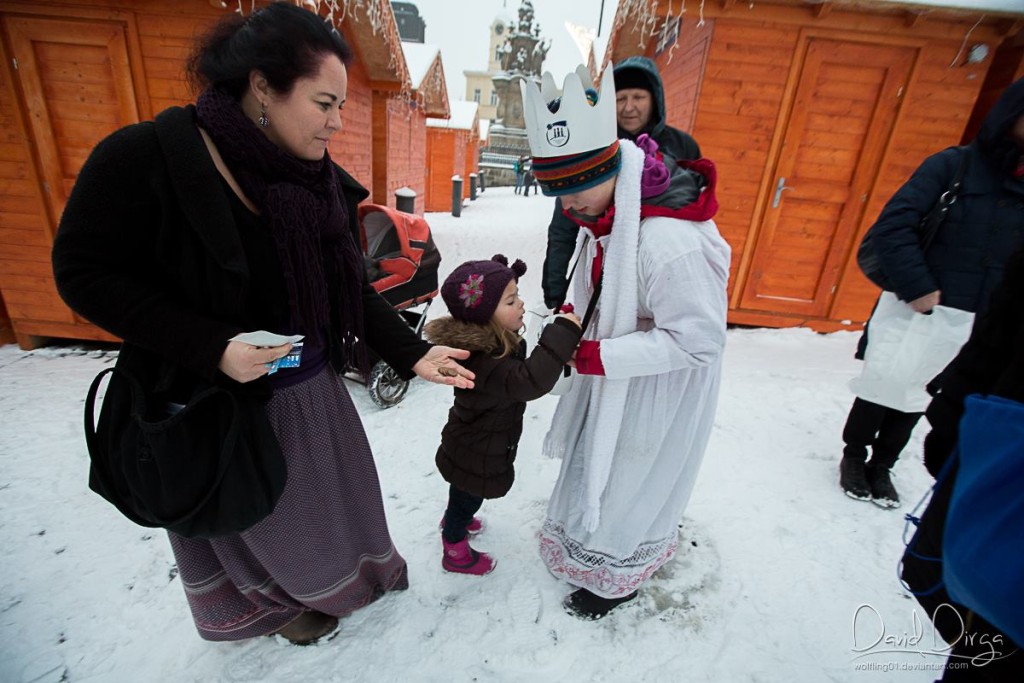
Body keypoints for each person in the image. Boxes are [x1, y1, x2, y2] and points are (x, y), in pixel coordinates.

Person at [51, 4, 474, 645]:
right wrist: (212, 347)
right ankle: (276, 611)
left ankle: (331, 589)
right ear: (262, 87)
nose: (336, 121)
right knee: (240, 521)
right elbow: (83, 274)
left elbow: (349, 291)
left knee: (315, 520)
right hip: (206, 400)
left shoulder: (319, 181)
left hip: (306, 393)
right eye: (324, 102)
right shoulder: (146, 158)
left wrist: (412, 352)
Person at [520, 66, 730, 619]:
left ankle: (616, 578)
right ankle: (585, 546)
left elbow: (700, 339)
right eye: (556, 195)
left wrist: (600, 354)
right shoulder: (611, 216)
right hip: (616, 373)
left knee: (632, 474)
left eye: (575, 190)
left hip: (654, 386)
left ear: (611, 166)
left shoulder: (666, 242)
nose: (568, 208)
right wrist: (574, 316)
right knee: (600, 463)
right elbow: (600, 283)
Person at [839, 77, 1024, 508]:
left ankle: (883, 464)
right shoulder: (954, 166)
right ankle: (854, 455)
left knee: (921, 392)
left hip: (977, 319)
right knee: (883, 382)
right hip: (916, 303)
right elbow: (894, 226)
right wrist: (918, 286)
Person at [901, 245, 1024, 681]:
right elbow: (1000, 332)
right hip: (1005, 450)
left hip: (1000, 446)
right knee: (969, 593)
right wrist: (953, 422)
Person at [424, 255, 582, 575]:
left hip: (476, 441)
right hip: (477, 448)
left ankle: (458, 516)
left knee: (465, 491)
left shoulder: (495, 345)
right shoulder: (485, 360)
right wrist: (561, 335)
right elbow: (527, 382)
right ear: (484, 316)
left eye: (517, 295)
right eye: (511, 300)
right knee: (469, 492)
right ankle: (453, 547)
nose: (522, 304)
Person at [541, 56, 701, 309]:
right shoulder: (594, 147)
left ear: (655, 99)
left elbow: (696, 215)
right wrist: (554, 291)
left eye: (638, 97)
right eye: (620, 98)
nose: (629, 107)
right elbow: (563, 226)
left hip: (659, 276)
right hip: (606, 275)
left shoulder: (682, 146)